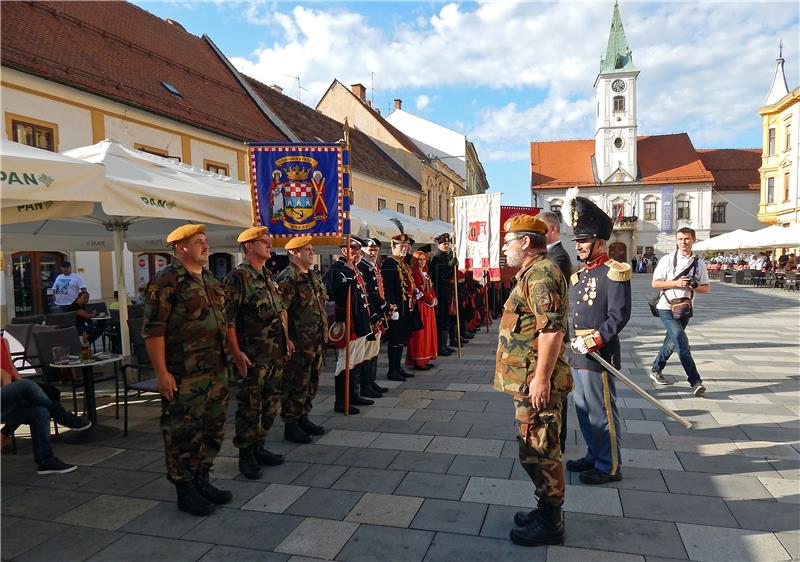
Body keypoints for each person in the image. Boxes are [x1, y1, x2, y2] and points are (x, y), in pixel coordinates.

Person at [493, 215, 571, 547]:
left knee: (540, 450)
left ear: (525, 243)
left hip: (535, 381)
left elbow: (552, 331)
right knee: (534, 447)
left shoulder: (540, 275)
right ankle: (545, 509)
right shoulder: (533, 272)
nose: (504, 246)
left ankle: (551, 521)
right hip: (526, 377)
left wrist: (541, 380)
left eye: (509, 240)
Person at [142, 224, 231, 516]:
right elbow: (154, 332)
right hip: (185, 375)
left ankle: (202, 479)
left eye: (206, 242)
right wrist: (162, 373)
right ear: (180, 247)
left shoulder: (210, 280)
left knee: (212, 429)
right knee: (183, 433)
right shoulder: (166, 281)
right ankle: (185, 489)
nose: (206, 246)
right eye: (198, 242)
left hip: (215, 371)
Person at [564, 194, 631, 486]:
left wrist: (594, 340)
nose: (579, 246)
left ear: (599, 243)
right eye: (578, 241)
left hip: (598, 352)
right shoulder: (579, 276)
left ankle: (609, 465)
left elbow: (618, 316)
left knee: (601, 411)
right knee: (583, 408)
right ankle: (594, 454)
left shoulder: (614, 273)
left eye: (584, 241)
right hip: (579, 353)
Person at [224, 227, 290, 481]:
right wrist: (236, 352)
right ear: (249, 246)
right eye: (263, 241)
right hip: (252, 355)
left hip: (274, 352)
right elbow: (228, 321)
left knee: (271, 403)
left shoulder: (268, 275)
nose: (269, 244)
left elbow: (280, 309)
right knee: (250, 406)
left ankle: (259, 446)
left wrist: (288, 338)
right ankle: (246, 455)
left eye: (268, 241)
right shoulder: (238, 278)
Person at [1, 336, 91, 474]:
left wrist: (19, 387)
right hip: (5, 393)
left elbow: (10, 368)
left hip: (10, 390)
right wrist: (13, 392)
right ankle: (63, 417)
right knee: (27, 386)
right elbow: (4, 375)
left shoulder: (3, 341)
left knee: (39, 410)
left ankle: (45, 461)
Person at [277, 236, 329, 435]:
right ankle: (291, 423)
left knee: (311, 382)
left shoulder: (313, 276)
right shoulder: (288, 276)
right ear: (294, 253)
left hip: (315, 340)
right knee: (296, 383)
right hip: (299, 341)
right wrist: (287, 338)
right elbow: (282, 310)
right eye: (307, 249)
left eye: (311, 248)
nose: (311, 252)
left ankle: (303, 416)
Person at [649, 227, 710, 396]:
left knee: (671, 342)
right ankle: (695, 381)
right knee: (682, 343)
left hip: (684, 309)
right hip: (666, 307)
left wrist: (694, 286)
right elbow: (655, 283)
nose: (684, 242)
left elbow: (706, 288)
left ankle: (656, 369)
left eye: (687, 239)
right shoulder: (667, 260)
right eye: (681, 239)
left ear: (693, 240)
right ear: (676, 241)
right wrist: (676, 283)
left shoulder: (699, 263)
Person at [538, 210, 573, 454]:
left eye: (541, 230)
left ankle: (556, 439)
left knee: (554, 385)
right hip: (549, 330)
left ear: (551, 230)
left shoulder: (557, 258)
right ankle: (546, 435)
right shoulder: (550, 256)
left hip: (553, 331)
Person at [329, 237, 375, 414]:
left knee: (355, 360)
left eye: (358, 249)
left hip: (360, 320)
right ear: (344, 250)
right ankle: (341, 400)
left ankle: (353, 394)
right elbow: (340, 296)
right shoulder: (339, 269)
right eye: (353, 248)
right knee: (345, 361)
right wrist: (348, 273)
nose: (357, 252)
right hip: (349, 322)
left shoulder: (354, 268)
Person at [381, 232, 416, 382]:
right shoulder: (389, 263)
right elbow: (387, 288)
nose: (404, 248)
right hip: (395, 307)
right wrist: (391, 308)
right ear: (393, 246)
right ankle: (392, 370)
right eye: (401, 246)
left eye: (406, 246)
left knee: (401, 338)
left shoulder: (402, 262)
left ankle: (398, 367)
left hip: (404, 306)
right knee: (394, 339)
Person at [357, 238, 389, 396]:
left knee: (374, 349)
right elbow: (368, 292)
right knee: (367, 351)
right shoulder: (361, 267)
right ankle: (365, 385)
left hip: (378, 312)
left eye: (376, 250)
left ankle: (371, 381)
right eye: (370, 250)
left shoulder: (374, 266)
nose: (373, 253)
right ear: (363, 251)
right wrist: (382, 305)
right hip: (370, 313)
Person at [406, 250, 438, 370]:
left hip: (428, 306)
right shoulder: (414, 273)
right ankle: (419, 360)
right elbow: (419, 290)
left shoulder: (425, 272)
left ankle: (426, 357)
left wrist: (434, 298)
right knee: (421, 333)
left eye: (424, 259)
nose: (422, 262)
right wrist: (430, 300)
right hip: (421, 306)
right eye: (419, 259)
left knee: (429, 332)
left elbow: (430, 288)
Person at [429, 233, 457, 357]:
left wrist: (453, 266)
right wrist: (449, 267)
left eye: (447, 244)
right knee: (440, 319)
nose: (446, 246)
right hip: (439, 291)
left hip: (447, 291)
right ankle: (439, 346)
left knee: (446, 318)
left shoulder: (447, 256)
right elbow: (438, 275)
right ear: (438, 244)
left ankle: (445, 344)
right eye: (444, 244)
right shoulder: (436, 257)